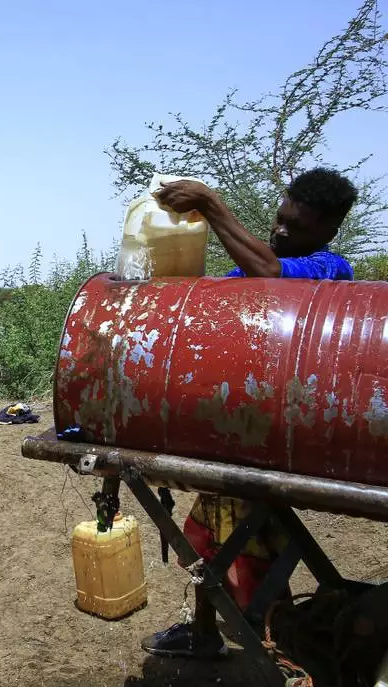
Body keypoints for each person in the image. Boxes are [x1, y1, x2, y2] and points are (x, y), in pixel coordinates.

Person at [141, 167, 357, 659]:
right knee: (210, 537)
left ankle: (280, 660)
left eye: (295, 226)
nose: (280, 231)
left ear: (328, 229)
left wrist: (211, 204)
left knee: (252, 547)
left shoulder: (329, 270)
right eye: (280, 219)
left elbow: (273, 277)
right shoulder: (252, 271)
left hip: (280, 440)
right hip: (239, 430)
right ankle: (204, 631)